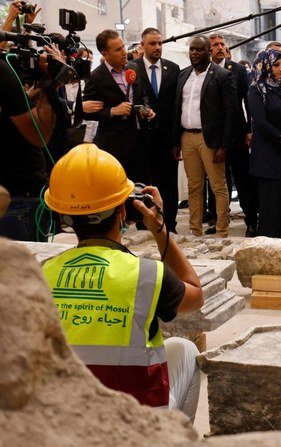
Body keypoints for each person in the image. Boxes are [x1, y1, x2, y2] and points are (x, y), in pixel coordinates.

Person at [41, 144, 203, 422]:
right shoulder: (148, 275)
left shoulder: (43, 274)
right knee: (186, 350)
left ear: (63, 217)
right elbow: (196, 295)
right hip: (134, 426)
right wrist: (159, 229)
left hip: (64, 422)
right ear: (123, 211)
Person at [173, 35, 236, 237]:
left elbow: (231, 112)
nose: (194, 53)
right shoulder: (183, 75)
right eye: (192, 49)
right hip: (187, 136)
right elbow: (177, 109)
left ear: (209, 51)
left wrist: (224, 145)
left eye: (199, 50)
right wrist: (177, 141)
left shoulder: (222, 76)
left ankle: (222, 231)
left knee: (218, 186)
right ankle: (195, 230)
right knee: (194, 186)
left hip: (210, 139)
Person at [0, 48, 61, 241]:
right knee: (21, 270)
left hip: (10, 195)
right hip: (18, 199)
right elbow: (39, 135)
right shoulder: (2, 72)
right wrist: (50, 85)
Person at [83, 30, 156, 184]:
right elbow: (88, 112)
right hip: (114, 146)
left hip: (140, 142)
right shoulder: (96, 77)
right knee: (119, 190)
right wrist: (112, 111)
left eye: (123, 47)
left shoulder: (134, 68)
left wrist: (146, 110)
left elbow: (142, 96)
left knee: (142, 190)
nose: (124, 52)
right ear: (105, 53)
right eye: (118, 49)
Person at [129, 28, 180, 234]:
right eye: (152, 43)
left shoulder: (173, 69)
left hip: (167, 138)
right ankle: (145, 222)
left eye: (160, 43)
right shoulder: (132, 68)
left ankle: (170, 223)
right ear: (142, 45)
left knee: (169, 182)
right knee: (144, 182)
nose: (157, 47)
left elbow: (178, 105)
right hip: (142, 137)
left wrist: (177, 138)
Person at [248, 50, 281, 239]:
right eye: (276, 65)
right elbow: (261, 122)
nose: (280, 69)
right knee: (271, 204)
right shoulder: (257, 89)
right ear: (265, 67)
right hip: (268, 156)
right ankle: (270, 245)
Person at [209, 32, 258, 237]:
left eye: (222, 44)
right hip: (214, 133)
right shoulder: (204, 70)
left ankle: (251, 220)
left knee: (242, 177)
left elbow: (247, 101)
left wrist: (249, 130)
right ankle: (218, 218)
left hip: (237, 132)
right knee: (217, 179)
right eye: (216, 44)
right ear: (208, 49)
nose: (220, 47)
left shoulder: (237, 69)